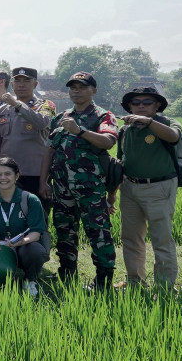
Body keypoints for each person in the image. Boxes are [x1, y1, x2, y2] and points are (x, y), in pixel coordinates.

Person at [42, 71, 119, 288]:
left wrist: (80, 131)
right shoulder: (62, 116)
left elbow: (107, 142)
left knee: (98, 232)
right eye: (72, 87)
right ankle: (67, 275)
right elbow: (48, 151)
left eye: (82, 87)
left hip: (90, 189)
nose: (76, 91)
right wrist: (43, 181)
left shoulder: (103, 116)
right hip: (61, 187)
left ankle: (103, 280)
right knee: (64, 231)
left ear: (93, 91)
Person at [110, 86, 182, 289]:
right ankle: (135, 281)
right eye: (136, 103)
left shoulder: (167, 123)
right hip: (130, 188)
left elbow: (173, 137)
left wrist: (149, 123)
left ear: (157, 105)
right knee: (130, 238)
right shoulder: (126, 129)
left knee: (161, 239)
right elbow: (120, 162)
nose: (141, 106)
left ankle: (165, 286)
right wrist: (113, 192)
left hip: (159, 188)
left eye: (147, 102)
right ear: (129, 106)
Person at [0, 157, 50, 296]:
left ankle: (29, 280)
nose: (3, 178)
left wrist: (22, 241)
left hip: (23, 248)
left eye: (7, 174)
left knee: (35, 250)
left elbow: (36, 233)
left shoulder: (30, 199)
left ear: (17, 176)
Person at [0, 67, 55, 202]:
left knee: (36, 216)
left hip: (35, 174)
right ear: (12, 85)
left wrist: (17, 104)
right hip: (7, 175)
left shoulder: (45, 105)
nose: (21, 84)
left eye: (26, 81)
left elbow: (42, 122)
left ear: (35, 84)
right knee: (8, 217)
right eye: (17, 81)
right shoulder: (3, 109)